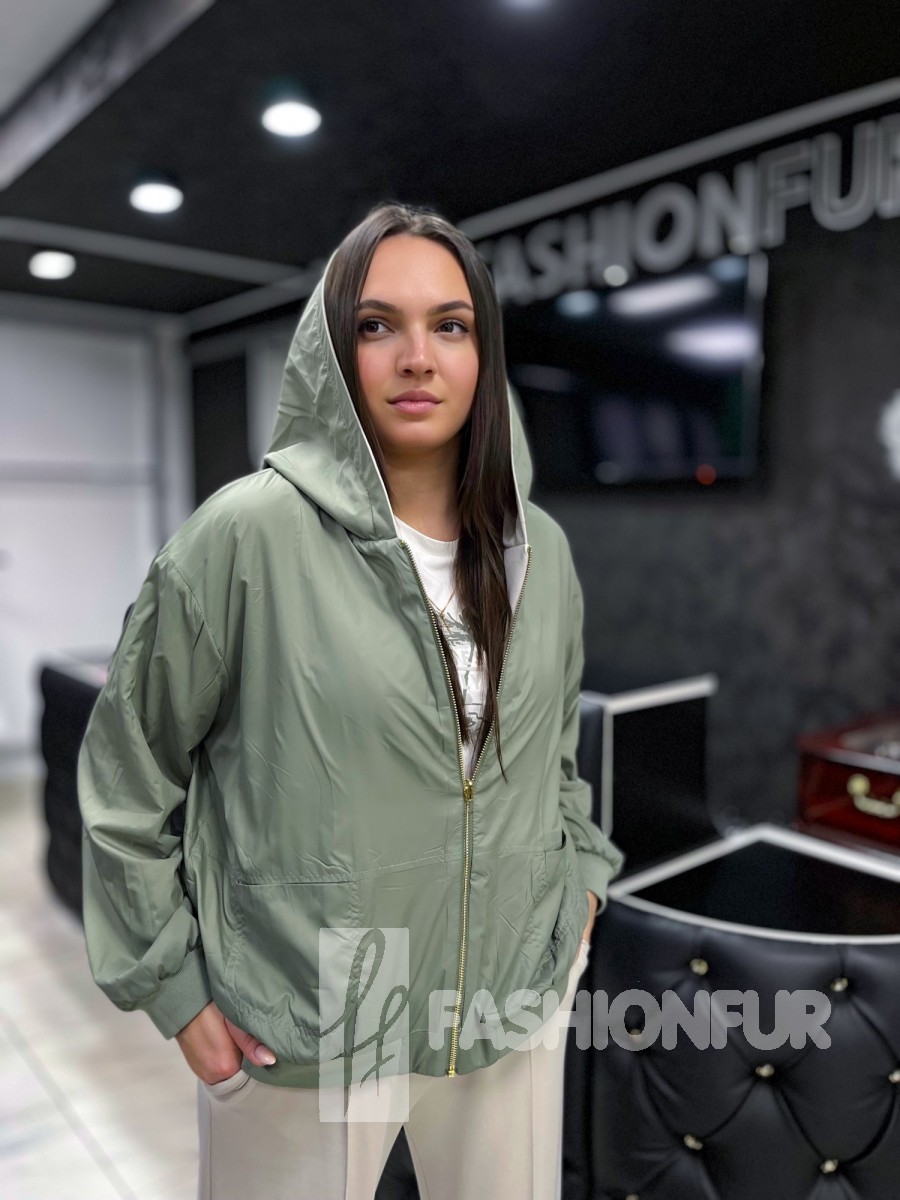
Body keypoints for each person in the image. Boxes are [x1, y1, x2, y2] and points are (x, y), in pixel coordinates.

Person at [78, 201, 624, 1199]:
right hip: (317, 1005)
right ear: (332, 350)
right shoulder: (242, 540)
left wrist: (579, 887)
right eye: (378, 325)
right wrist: (174, 986)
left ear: (484, 353)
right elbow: (128, 778)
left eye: (450, 325)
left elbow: (555, 760)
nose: (418, 357)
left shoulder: (541, 551)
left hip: (507, 991)